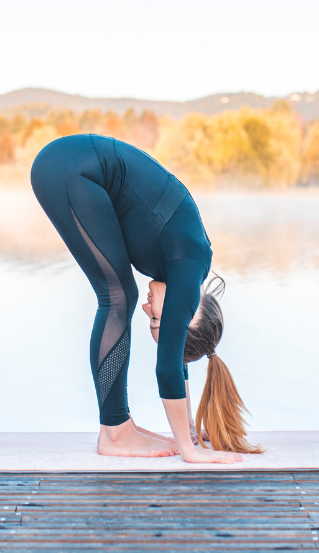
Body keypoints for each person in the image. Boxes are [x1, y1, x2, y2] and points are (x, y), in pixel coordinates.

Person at [30, 134, 262, 464]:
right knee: (118, 297)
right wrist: (189, 451)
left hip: (66, 165)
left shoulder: (183, 267)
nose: (147, 310)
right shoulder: (189, 262)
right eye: (156, 318)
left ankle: (118, 427)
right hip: (71, 167)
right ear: (191, 309)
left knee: (122, 295)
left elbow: (175, 357)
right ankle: (116, 431)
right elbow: (167, 366)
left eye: (152, 319)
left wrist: (189, 430)